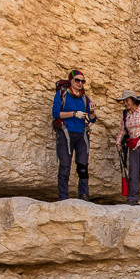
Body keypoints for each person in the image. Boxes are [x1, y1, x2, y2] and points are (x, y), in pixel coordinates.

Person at [52, 69, 97, 201]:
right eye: (77, 80)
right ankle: (63, 197)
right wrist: (73, 113)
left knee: (83, 166)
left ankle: (84, 195)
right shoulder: (62, 94)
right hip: (66, 132)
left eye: (82, 81)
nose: (80, 83)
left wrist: (92, 111)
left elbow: (92, 119)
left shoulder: (84, 97)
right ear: (71, 80)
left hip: (81, 133)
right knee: (65, 166)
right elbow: (56, 113)